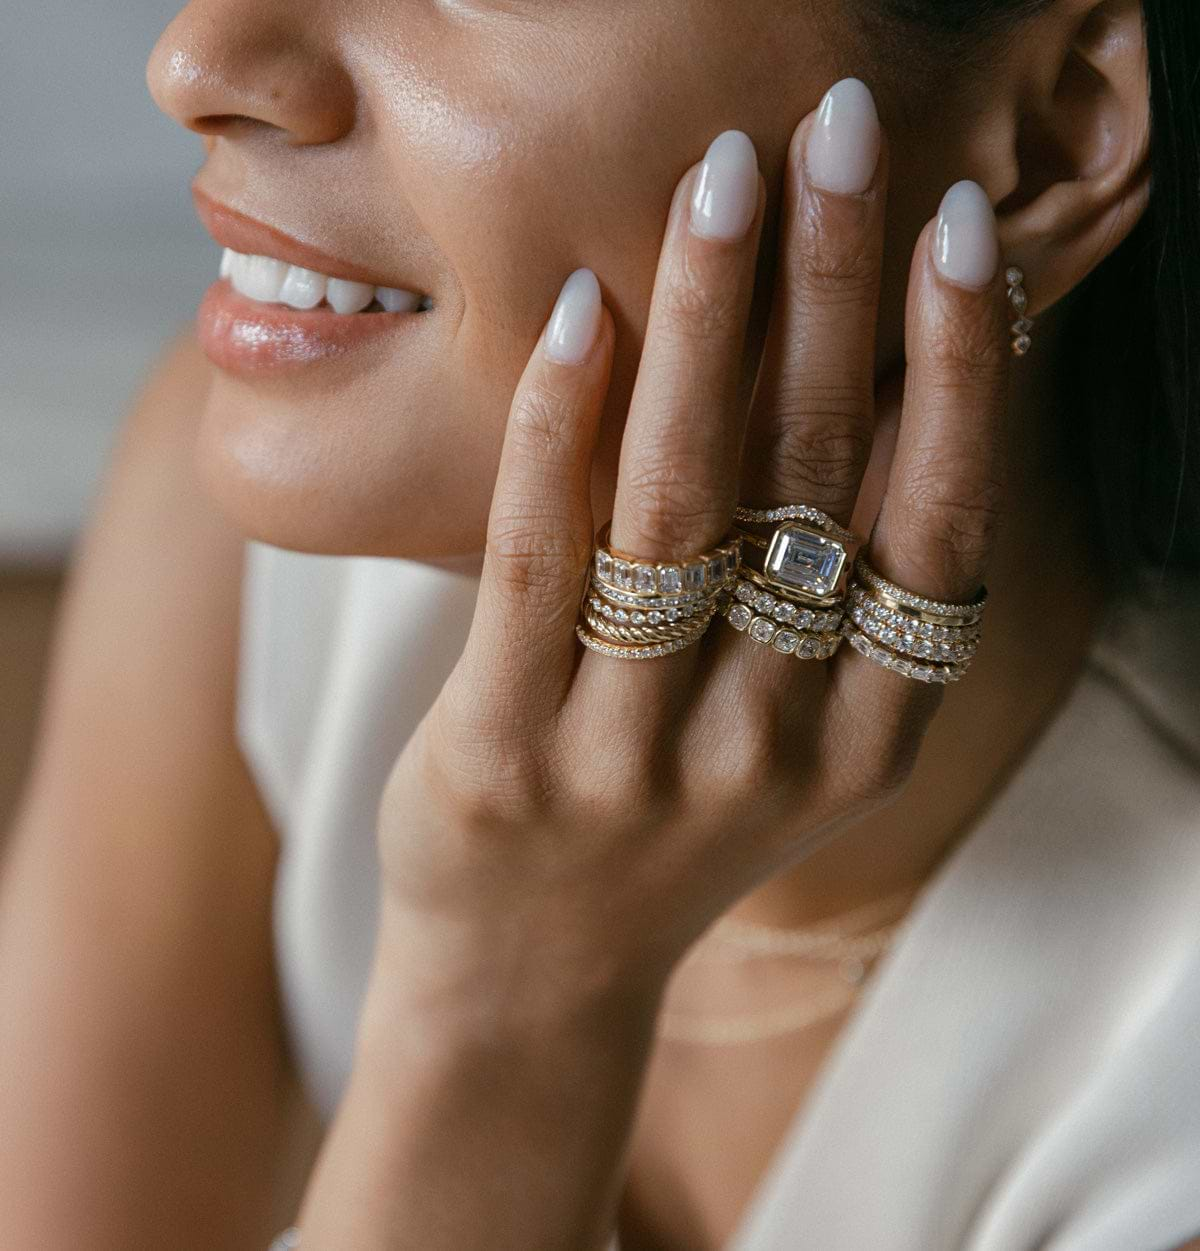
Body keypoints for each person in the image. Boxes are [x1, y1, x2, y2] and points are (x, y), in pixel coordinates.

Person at [1, 0, 1197, 1248]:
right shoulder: (253, 555)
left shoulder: (1163, 1075)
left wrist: (510, 996)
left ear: (1058, 131)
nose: (196, 60)